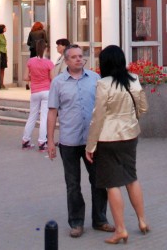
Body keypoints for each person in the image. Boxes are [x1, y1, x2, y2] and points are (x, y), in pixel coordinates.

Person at [46, 44, 114, 238]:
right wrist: (50, 141)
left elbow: (104, 108)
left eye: (80, 56)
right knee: (73, 184)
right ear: (66, 60)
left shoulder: (95, 79)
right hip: (69, 142)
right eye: (74, 57)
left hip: (92, 141)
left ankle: (100, 219)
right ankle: (76, 222)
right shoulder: (58, 83)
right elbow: (52, 112)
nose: (78, 59)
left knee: (99, 180)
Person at [85, 45, 150, 245]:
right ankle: (141, 221)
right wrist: (130, 120)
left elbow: (98, 117)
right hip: (130, 135)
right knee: (132, 178)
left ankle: (121, 229)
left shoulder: (103, 84)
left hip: (108, 138)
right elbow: (143, 107)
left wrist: (90, 145)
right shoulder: (134, 79)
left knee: (112, 184)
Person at [22, 39, 54, 150]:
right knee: (44, 117)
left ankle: (26, 140)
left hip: (35, 91)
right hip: (46, 91)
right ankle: (42, 141)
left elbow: (25, 77)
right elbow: (52, 78)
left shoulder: (30, 61)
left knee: (32, 116)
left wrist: (34, 77)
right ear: (46, 49)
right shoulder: (49, 63)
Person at [0, 24, 8, 89]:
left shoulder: (3, 36)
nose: (6, 29)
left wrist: (6, 56)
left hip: (4, 53)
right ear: (1, 28)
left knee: (3, 69)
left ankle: (2, 83)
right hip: (0, 53)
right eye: (4, 28)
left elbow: (4, 46)